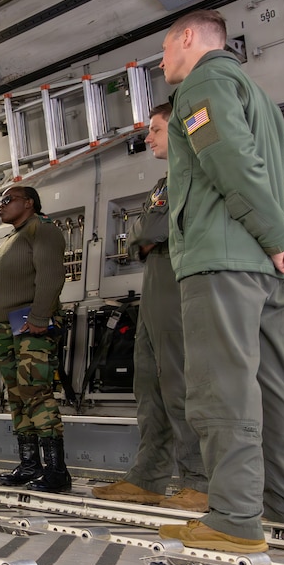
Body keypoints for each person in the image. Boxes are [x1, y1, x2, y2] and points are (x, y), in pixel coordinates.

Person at [156, 9, 284, 555]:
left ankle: (233, 517)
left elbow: (229, 162)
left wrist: (278, 241)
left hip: (222, 261)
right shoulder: (263, 100)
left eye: (163, 51)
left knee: (221, 386)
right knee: (274, 387)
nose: (163, 63)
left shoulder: (204, 83)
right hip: (264, 271)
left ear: (187, 38)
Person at [93, 104, 208, 512]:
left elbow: (150, 230)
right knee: (149, 385)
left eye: (156, 130)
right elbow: (141, 238)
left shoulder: (191, 169)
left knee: (179, 384)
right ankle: (149, 478)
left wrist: (144, 234)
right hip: (156, 280)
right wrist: (144, 236)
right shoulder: (165, 179)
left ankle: (201, 481)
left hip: (177, 279)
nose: (149, 138)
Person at [0, 185, 70, 492]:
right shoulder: (13, 238)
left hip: (30, 324)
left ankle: (56, 470)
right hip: (8, 327)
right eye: (0, 201)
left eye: (9, 200)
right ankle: (30, 464)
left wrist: (38, 318)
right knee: (17, 394)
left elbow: (52, 276)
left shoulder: (43, 230)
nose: (2, 205)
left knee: (35, 390)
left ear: (30, 203)